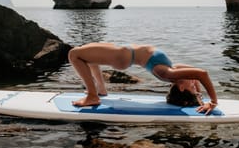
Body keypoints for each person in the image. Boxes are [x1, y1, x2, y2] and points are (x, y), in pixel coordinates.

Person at [67, 42, 218, 114]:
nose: (194, 82)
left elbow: (202, 74)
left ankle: (93, 96)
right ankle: (101, 90)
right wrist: (198, 96)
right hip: (124, 53)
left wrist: (213, 102)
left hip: (122, 56)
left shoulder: (167, 74)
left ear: (181, 87)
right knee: (88, 59)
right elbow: (197, 78)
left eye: (191, 86)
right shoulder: (174, 71)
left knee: (74, 54)